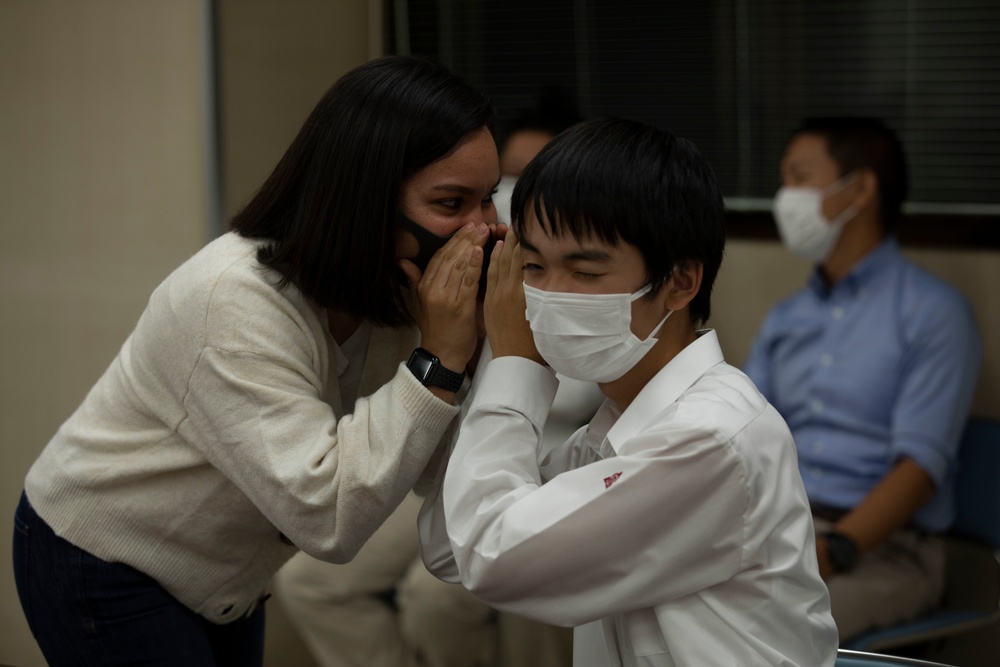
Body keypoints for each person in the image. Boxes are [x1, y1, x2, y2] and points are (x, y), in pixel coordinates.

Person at [12, 55, 499, 667]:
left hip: (225, 574)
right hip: (108, 554)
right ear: (364, 197)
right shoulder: (233, 301)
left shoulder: (399, 289)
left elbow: (432, 471)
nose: (481, 232)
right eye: (453, 203)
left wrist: (482, 349)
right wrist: (440, 360)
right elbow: (328, 518)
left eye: (489, 201)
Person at [419, 117, 839, 666]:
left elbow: (490, 559)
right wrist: (468, 358)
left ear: (681, 282)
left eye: (585, 273)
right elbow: (450, 545)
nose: (544, 297)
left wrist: (516, 361)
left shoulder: (707, 438)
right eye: (532, 267)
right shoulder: (619, 421)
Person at [275, 96, 595, 667]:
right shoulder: (430, 270)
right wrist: (452, 344)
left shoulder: (573, 262)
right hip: (450, 451)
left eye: (493, 193)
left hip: (537, 454)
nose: (488, 216)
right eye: (509, 181)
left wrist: (504, 349)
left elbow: (579, 395)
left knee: (435, 595)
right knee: (311, 581)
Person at [743, 117, 983, 642]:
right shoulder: (787, 317)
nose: (787, 196)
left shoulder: (933, 313)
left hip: (887, 551)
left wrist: (833, 550)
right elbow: (741, 429)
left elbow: (919, 468)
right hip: (783, 526)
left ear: (860, 188)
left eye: (800, 176)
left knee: (763, 630)